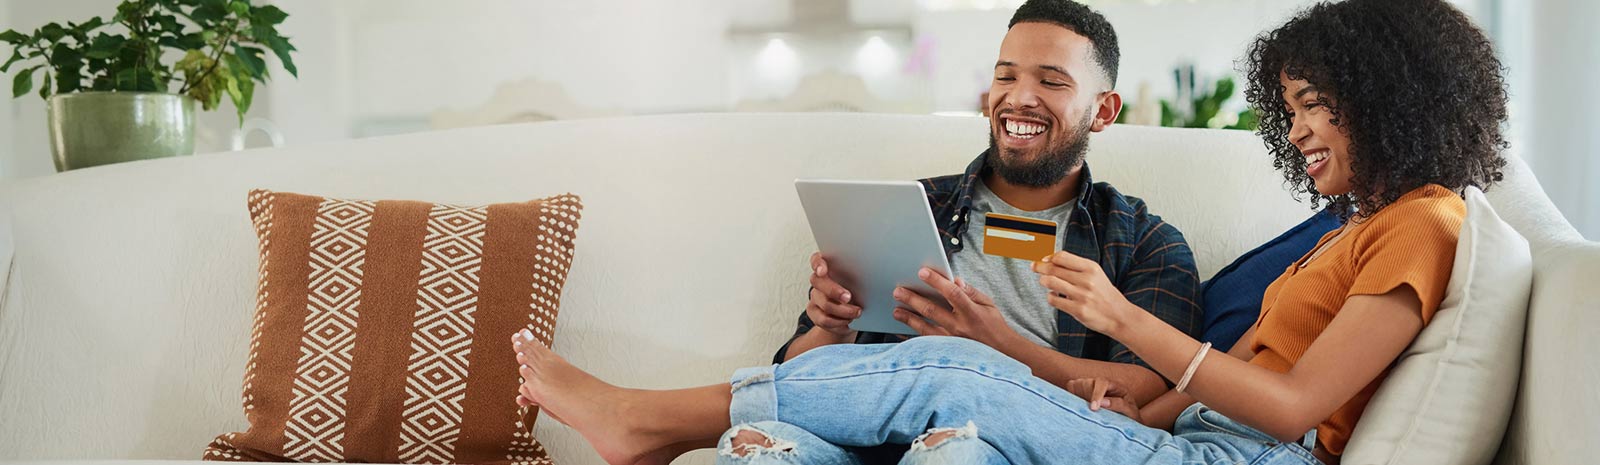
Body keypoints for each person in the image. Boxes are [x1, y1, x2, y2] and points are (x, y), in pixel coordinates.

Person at [511, 0, 1510, 463]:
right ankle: (685, 426)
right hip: (1182, 439)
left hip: (1225, 453)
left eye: (1314, 106)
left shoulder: (1419, 223)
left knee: (962, 396)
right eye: (1288, 110)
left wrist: (1084, 323)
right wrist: (828, 318)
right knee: (761, 448)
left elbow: (1284, 409)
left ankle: (642, 420)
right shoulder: (1350, 230)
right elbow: (1204, 393)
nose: (1295, 131)